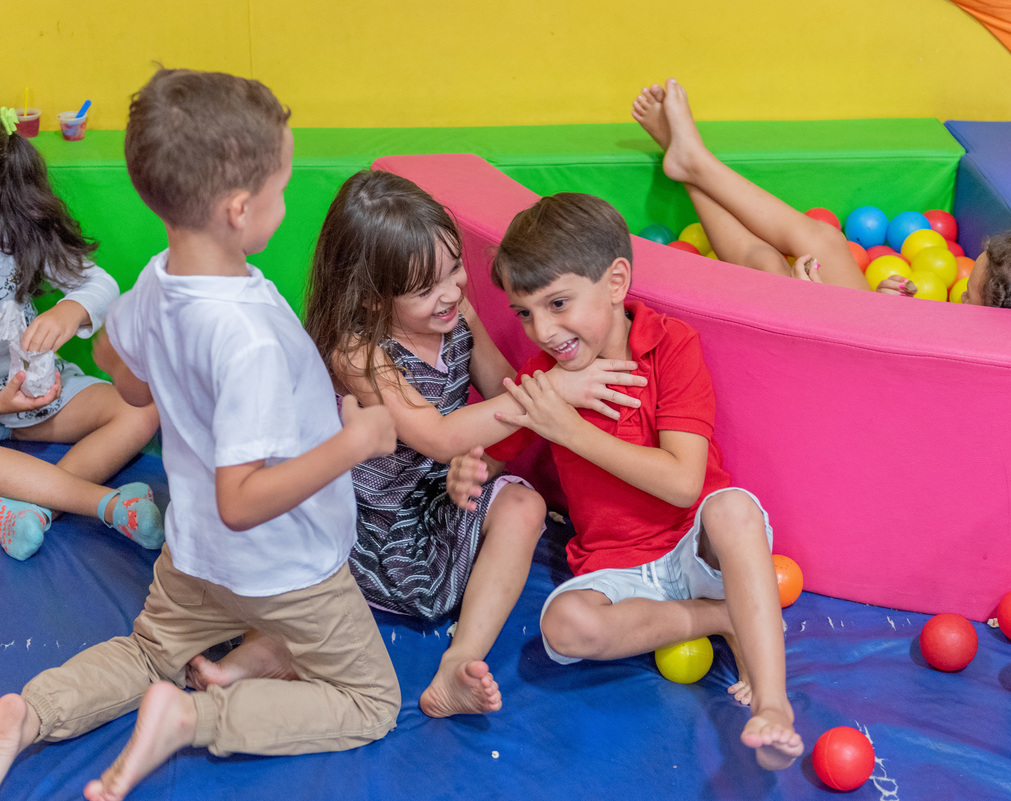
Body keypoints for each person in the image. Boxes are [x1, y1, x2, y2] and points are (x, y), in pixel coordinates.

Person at [0, 68, 401, 801]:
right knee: (370, 702)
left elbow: (121, 370)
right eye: (281, 189)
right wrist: (356, 442)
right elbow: (241, 500)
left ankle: (27, 713)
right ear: (240, 209)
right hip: (285, 566)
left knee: (147, 650)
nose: (285, 202)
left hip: (195, 556)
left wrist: (145, 371)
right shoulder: (246, 337)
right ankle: (195, 717)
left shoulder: (157, 281)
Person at [184, 169, 647, 719]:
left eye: (454, 270)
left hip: (433, 502)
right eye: (426, 290)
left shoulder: (460, 316)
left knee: (525, 505)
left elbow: (505, 392)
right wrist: (554, 392)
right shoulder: (357, 352)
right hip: (356, 523)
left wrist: (558, 383)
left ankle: (459, 662)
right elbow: (438, 436)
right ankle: (246, 663)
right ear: (372, 298)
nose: (450, 293)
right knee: (315, 609)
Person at [477, 192, 805, 770]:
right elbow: (495, 452)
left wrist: (570, 430)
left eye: (558, 303)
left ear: (615, 282)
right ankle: (724, 617)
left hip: (695, 545)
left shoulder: (669, 345)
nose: (543, 330)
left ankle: (774, 706)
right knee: (563, 629)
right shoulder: (545, 378)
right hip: (618, 570)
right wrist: (471, 467)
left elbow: (684, 484)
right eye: (525, 313)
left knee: (733, 510)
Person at [631, 80, 1011, 312]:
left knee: (769, 269)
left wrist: (815, 307)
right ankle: (693, 162)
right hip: (875, 328)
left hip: (845, 358)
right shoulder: (979, 329)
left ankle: (690, 166)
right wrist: (890, 308)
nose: (958, 294)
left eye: (968, 293)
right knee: (824, 239)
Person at [0, 106, 163, 560]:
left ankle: (32, 510)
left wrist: (69, 312)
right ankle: (105, 505)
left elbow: (100, 284)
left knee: (143, 408)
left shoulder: (16, 231)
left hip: (36, 398)